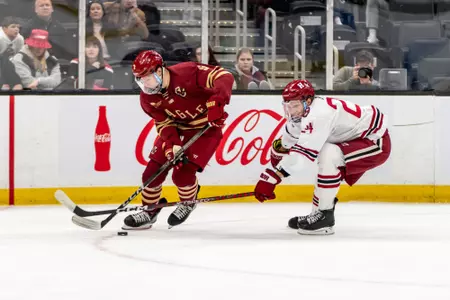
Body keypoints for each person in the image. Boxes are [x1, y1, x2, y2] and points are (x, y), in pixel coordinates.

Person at [253, 79, 391, 235]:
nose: (292, 111)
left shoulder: (319, 115)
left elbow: (302, 157)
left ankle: (324, 216)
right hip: (356, 139)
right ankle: (317, 214)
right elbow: (287, 142)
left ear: (308, 101)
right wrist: (274, 165)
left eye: (295, 105)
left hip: (374, 141)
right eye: (288, 106)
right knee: (327, 153)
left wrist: (274, 178)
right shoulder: (300, 114)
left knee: (328, 154)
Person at [122, 50, 234, 230]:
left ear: (159, 71)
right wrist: (172, 145)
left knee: (182, 175)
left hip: (205, 129)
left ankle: (188, 201)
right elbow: (163, 123)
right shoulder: (147, 98)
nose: (144, 83)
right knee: (151, 174)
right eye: (139, 79)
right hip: (177, 129)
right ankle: (149, 211)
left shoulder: (187, 73)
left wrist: (217, 102)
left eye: (146, 78)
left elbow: (224, 76)